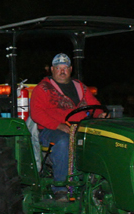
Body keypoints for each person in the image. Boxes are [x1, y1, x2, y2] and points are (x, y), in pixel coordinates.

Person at [30, 53, 103, 195]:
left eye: (65, 68)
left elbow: (94, 105)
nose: (62, 71)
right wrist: (58, 126)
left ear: (70, 69)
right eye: (58, 68)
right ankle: (60, 187)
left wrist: (100, 114)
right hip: (51, 130)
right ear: (52, 69)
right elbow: (37, 114)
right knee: (63, 141)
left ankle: (94, 185)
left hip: (79, 128)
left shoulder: (80, 87)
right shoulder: (42, 88)